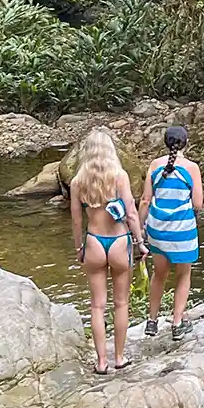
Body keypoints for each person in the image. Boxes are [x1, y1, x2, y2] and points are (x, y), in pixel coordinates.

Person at [69, 128, 148, 374]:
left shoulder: (77, 182)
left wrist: (78, 248)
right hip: (119, 242)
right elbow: (132, 213)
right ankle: (120, 358)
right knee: (121, 303)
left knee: (96, 306)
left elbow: (76, 221)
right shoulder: (119, 176)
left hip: (93, 241)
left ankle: (101, 361)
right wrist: (140, 241)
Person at [138, 126, 203, 341]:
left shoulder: (155, 165)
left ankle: (152, 321)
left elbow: (146, 200)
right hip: (182, 230)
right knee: (183, 275)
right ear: (186, 143)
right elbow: (198, 203)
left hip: (157, 230)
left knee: (159, 275)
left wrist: (139, 228)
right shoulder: (191, 168)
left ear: (165, 142)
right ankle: (177, 324)